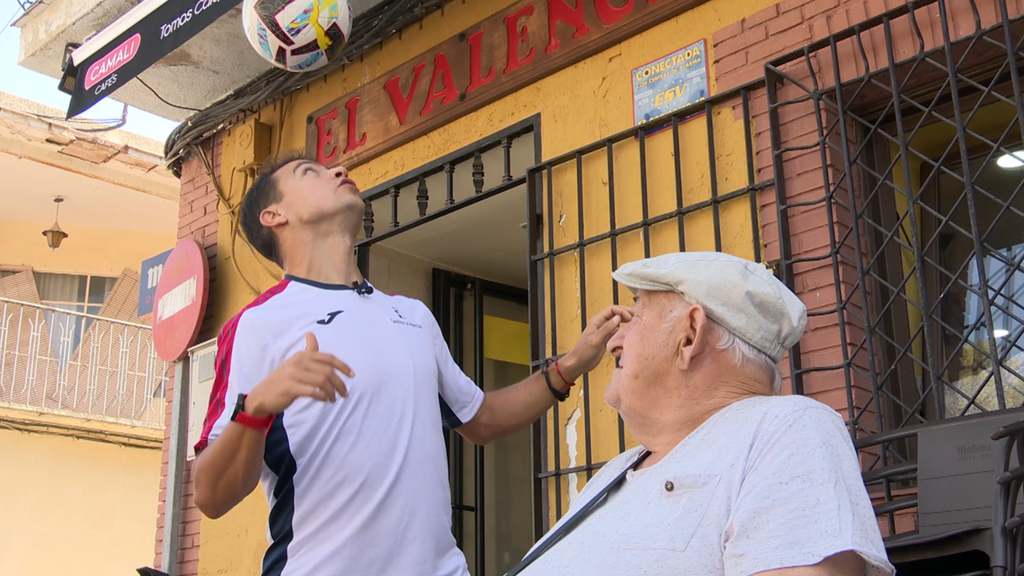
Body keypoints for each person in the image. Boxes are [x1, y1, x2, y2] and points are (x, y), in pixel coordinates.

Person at [190, 155, 630, 576]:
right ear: (274, 216)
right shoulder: (258, 324)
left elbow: (482, 419)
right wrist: (257, 406)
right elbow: (211, 495)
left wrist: (572, 363)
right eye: (311, 173)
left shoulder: (414, 316)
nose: (340, 171)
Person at [510, 252, 896, 576]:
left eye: (636, 317)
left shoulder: (787, 429)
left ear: (690, 334)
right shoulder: (613, 473)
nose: (613, 342)